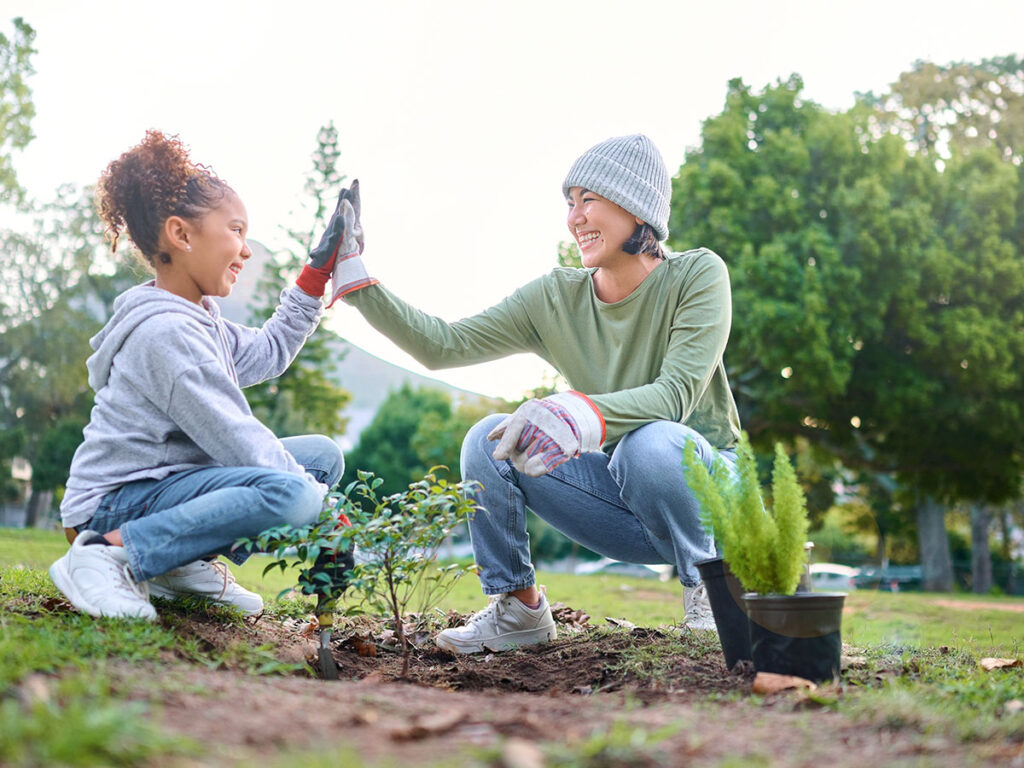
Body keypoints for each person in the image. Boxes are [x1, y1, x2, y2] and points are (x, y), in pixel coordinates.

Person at [332, 134, 741, 652]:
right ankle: (518, 609)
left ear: (635, 208)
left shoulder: (698, 274)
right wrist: (357, 281)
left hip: (709, 495)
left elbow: (675, 395)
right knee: (489, 439)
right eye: (570, 203)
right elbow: (444, 344)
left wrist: (575, 413)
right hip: (624, 498)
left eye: (588, 200)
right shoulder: (556, 298)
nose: (574, 218)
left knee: (650, 443)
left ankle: (714, 592)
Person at [49, 130, 356, 621]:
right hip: (111, 509)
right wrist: (324, 511)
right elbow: (237, 438)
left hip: (163, 487)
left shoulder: (199, 317)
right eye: (236, 229)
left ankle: (177, 563)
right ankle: (105, 556)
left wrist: (315, 277)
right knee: (297, 490)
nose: (246, 248)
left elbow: (270, 352)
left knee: (320, 458)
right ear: (182, 235)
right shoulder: (167, 335)